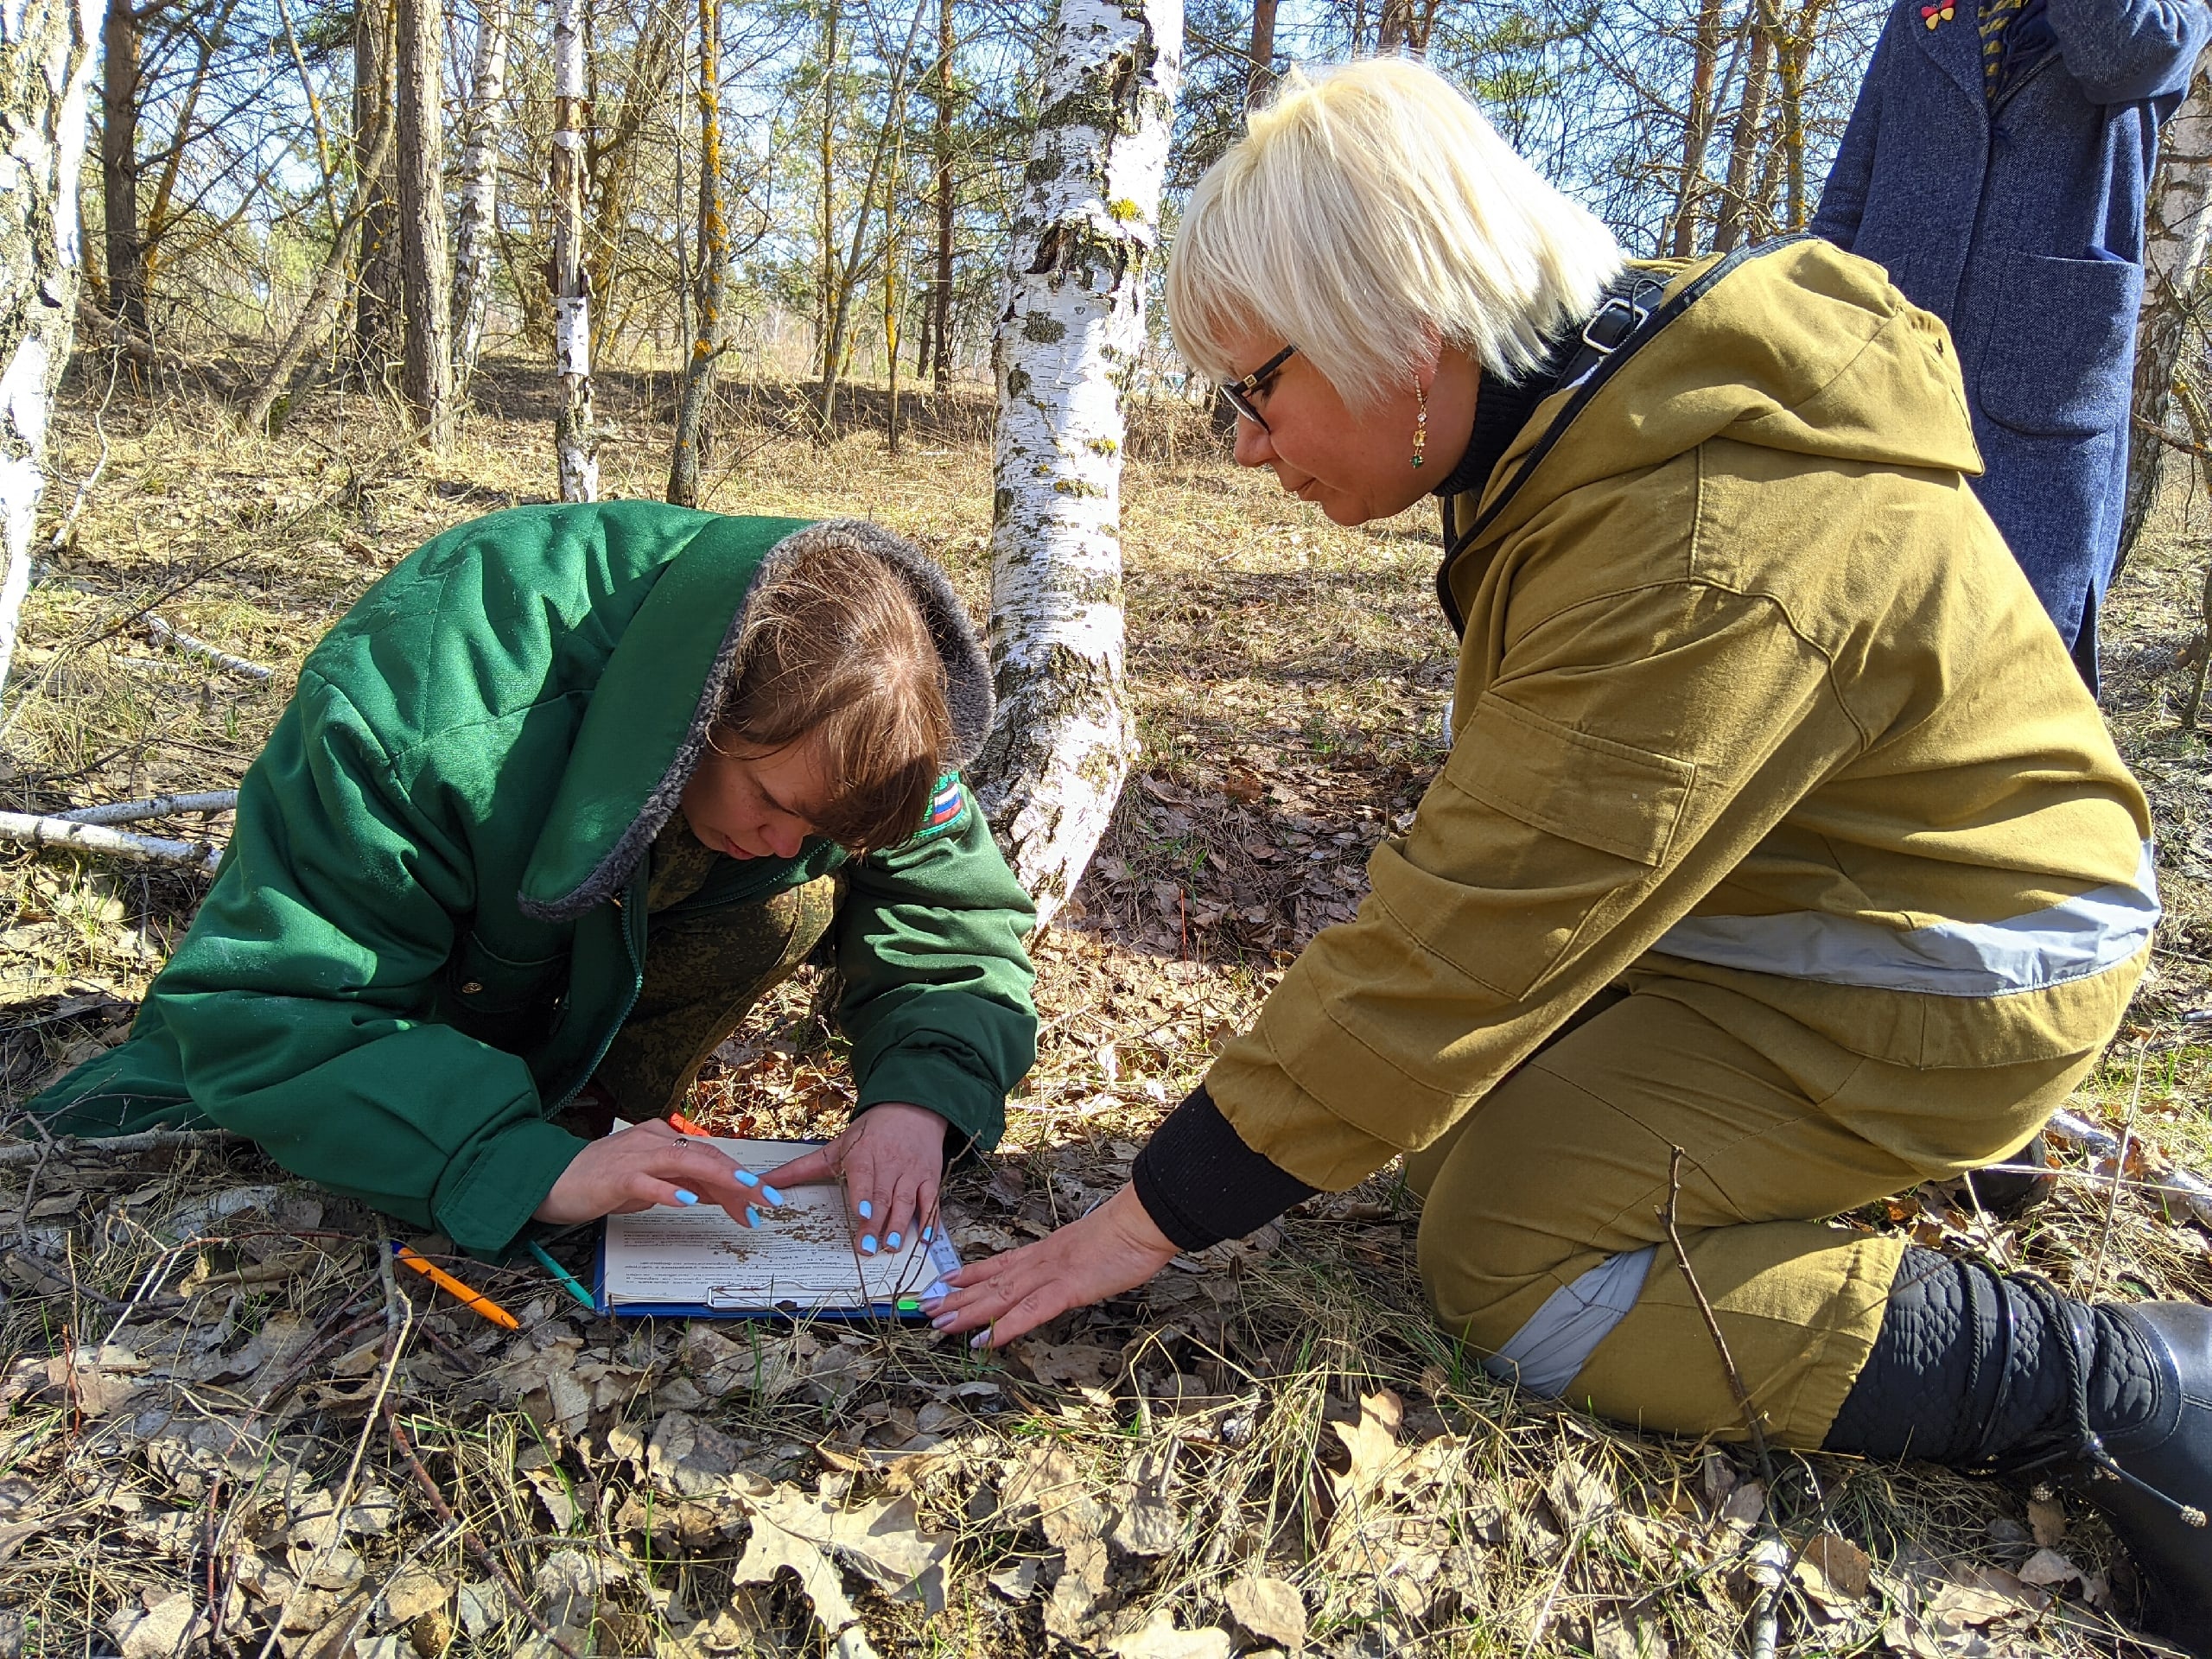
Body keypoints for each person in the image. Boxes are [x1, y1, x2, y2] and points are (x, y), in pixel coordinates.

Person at [922, 60, 2212, 1640]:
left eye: (1255, 388)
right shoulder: (1595, 401)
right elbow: (1534, 862)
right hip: (1790, 908)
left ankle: (2115, 1385)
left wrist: (1151, 1216)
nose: (1247, 446)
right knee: (1444, 1148)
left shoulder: (1699, 536)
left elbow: (1483, 926)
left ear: (1407, 331)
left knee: (1509, 1261)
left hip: (1947, 960)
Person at [29, 506, 1038, 1262]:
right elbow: (269, 1000)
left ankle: (596, 1099)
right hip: (415, 996)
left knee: (790, 893)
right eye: (774, 803)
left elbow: (953, 912)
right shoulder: (426, 708)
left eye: (820, 827)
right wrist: (521, 1165)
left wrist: (918, 1098)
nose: (787, 842)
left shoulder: (868, 714)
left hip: (583, 949)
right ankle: (497, 1113)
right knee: (203, 1106)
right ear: (705, 715)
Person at [1810, 0, 2210, 690]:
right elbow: (1856, 173)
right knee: (1854, 642)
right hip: (1887, 359)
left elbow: (2119, 52)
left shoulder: (2173, 13)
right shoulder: (1926, 9)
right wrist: (1807, 312)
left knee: (2013, 665)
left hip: (2045, 384)